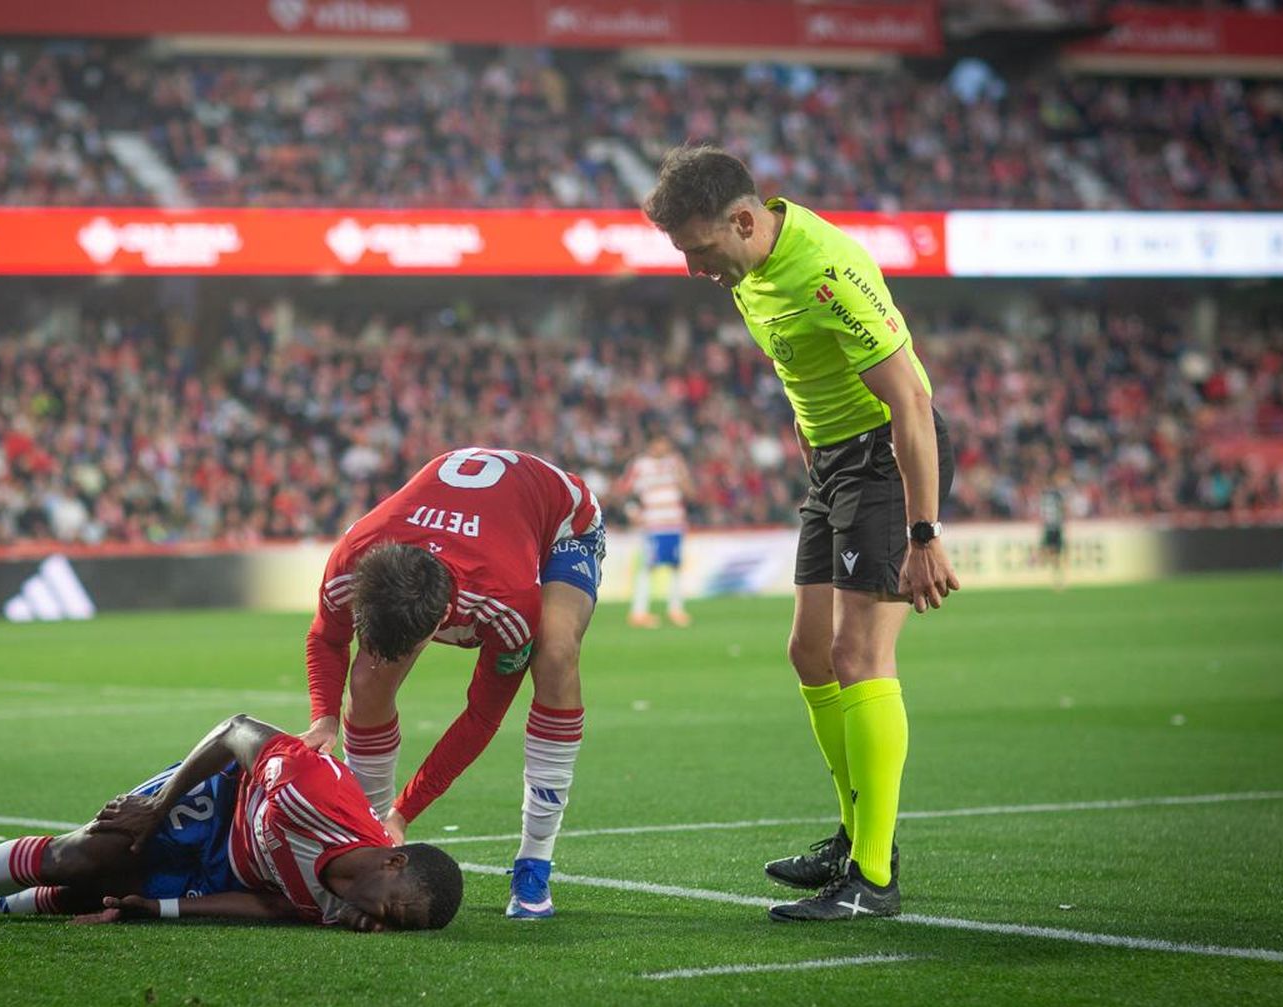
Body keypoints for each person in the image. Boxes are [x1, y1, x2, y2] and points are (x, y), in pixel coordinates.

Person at [644, 146, 958, 922]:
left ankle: (873, 880)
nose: (693, 270)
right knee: (808, 652)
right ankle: (856, 835)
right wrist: (816, 468)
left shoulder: (828, 271)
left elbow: (911, 403)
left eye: (700, 250)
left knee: (859, 655)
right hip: (834, 468)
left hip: (885, 459)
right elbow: (804, 379)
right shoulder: (748, 269)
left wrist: (923, 532)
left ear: (744, 220)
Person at [300, 447, 603, 920]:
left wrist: (406, 810)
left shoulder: (506, 603)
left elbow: (482, 717)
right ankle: (368, 837)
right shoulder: (354, 557)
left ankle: (535, 859)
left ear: (445, 620)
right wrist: (323, 717)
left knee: (556, 653)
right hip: (475, 527)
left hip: (560, 520)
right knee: (369, 676)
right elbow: (325, 636)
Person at [0, 713, 464, 932]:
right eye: (394, 909)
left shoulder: (342, 907)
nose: (379, 921)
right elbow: (237, 730)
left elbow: (269, 907)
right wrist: (157, 809)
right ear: (391, 860)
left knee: (86, 900)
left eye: (394, 926)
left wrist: (164, 910)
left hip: (231, 865)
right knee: (88, 859)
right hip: (220, 801)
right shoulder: (312, 793)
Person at [618, 433, 695, 628]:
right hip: (653, 524)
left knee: (676, 567)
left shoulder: (675, 463)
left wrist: (682, 476)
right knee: (647, 567)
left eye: (666, 443)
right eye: (660, 442)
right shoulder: (640, 466)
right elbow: (623, 491)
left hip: (674, 523)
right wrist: (632, 512)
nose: (664, 446)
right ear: (652, 444)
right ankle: (639, 612)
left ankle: (675, 609)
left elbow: (689, 492)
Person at [1037, 481, 1067, 589]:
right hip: (1053, 527)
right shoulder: (1055, 497)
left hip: (1052, 527)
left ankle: (1057, 577)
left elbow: (1043, 514)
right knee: (1054, 554)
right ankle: (1056, 577)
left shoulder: (1046, 498)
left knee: (1054, 554)